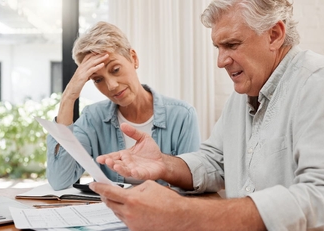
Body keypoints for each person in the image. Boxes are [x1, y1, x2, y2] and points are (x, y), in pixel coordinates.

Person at [89, 0, 324, 230]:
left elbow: (318, 198)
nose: (221, 61)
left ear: (274, 35)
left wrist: (184, 214)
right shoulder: (244, 93)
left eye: (232, 45)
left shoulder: (315, 84)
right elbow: (216, 161)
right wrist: (164, 163)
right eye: (218, 48)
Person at [46, 21, 201, 190]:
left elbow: (189, 185)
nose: (111, 85)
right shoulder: (93, 118)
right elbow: (59, 179)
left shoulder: (182, 115)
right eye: (98, 79)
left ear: (133, 58)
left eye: (115, 69)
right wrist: (69, 97)